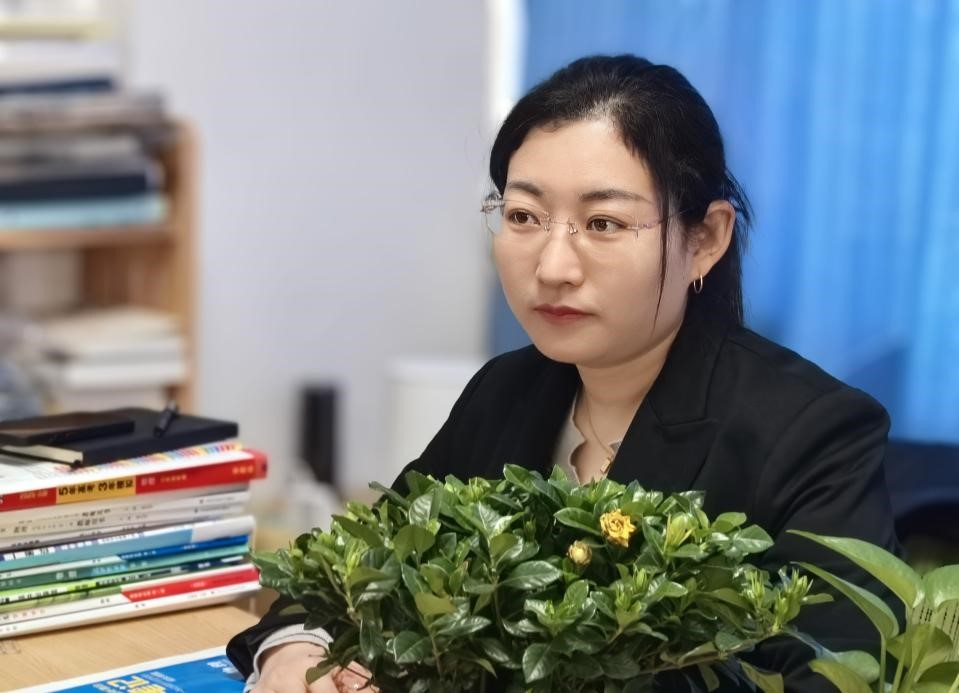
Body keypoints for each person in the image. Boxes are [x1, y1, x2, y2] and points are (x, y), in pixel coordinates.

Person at [228, 54, 900, 692]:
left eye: (603, 223)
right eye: (523, 216)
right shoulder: (507, 390)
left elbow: (835, 676)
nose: (552, 266)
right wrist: (298, 652)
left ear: (705, 239)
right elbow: (353, 573)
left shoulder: (812, 433)